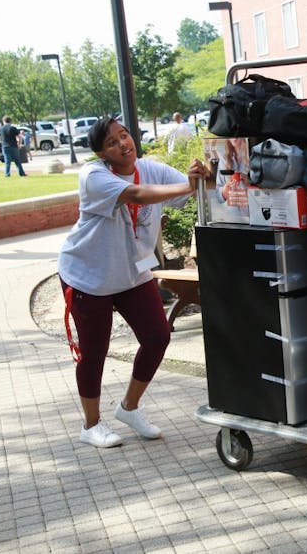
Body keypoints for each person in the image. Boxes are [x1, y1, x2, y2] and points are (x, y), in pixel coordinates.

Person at [58, 117, 209, 448]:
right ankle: (91, 425)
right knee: (94, 350)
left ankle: (129, 407)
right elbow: (138, 194)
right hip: (89, 276)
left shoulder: (150, 168)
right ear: (101, 152)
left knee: (157, 337)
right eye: (112, 142)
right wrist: (189, 184)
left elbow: (193, 185)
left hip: (130, 273)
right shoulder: (95, 176)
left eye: (124, 135)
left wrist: (205, 173)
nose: (123, 144)